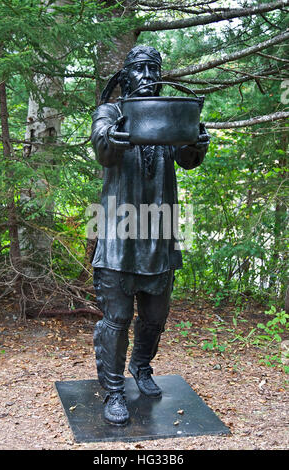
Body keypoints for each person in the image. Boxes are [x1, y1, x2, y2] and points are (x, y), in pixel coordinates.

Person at [90, 45, 210, 426]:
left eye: (152, 69)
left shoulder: (167, 111)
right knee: (117, 316)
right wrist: (115, 134)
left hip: (158, 230)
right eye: (139, 69)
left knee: (156, 315)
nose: (146, 76)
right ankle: (113, 389)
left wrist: (196, 143)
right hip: (117, 231)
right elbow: (103, 149)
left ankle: (141, 366)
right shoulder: (112, 112)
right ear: (126, 75)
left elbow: (187, 159)